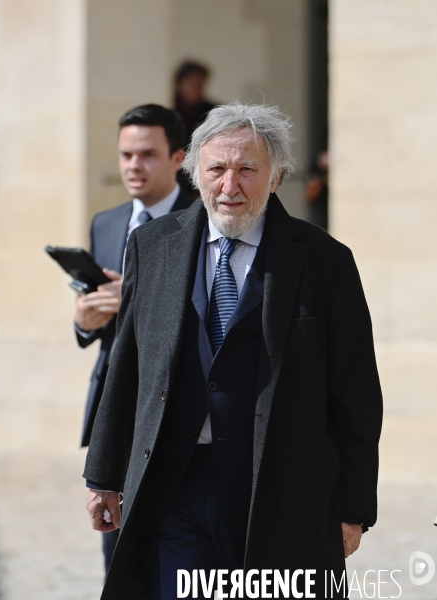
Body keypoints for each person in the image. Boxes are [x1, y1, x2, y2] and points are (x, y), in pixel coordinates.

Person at [83, 103, 383, 599]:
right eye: (217, 169)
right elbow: (129, 366)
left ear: (275, 176)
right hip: (175, 486)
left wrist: (352, 509)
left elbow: (355, 396)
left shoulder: (325, 262)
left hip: (279, 491)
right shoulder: (152, 247)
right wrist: (103, 473)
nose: (230, 186)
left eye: (247, 170)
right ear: (195, 172)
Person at [74, 103, 193, 573]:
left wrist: (142, 300)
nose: (133, 166)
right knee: (117, 553)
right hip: (115, 408)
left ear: (178, 157)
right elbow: (98, 332)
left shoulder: (203, 220)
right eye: (125, 155)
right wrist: (85, 318)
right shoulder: (106, 223)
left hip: (177, 406)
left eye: (146, 154)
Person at [173, 60, 217, 198]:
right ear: (180, 84)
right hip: (175, 184)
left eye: (200, 84)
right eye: (192, 83)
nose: (197, 89)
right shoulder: (170, 114)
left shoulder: (213, 113)